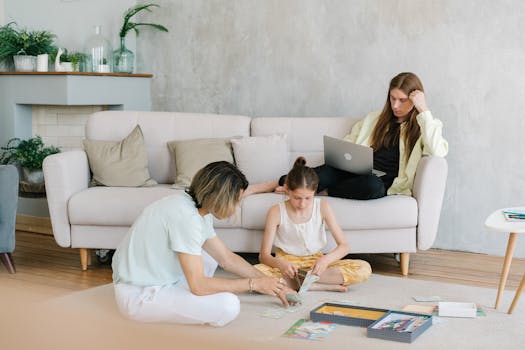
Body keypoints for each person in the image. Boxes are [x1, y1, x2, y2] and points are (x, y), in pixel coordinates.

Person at [112, 161, 297, 327]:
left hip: (157, 277)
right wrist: (252, 285)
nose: (237, 207)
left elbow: (226, 258)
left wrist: (271, 284)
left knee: (209, 256)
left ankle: (184, 296)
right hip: (140, 295)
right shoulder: (187, 218)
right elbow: (198, 286)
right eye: (237, 201)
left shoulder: (193, 206)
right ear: (221, 198)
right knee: (229, 305)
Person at [276, 72, 449, 200]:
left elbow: (437, 151)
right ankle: (279, 183)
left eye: (402, 100)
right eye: (392, 98)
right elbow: (349, 144)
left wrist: (424, 110)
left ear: (415, 99)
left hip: (378, 182)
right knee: (321, 173)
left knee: (371, 186)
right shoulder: (375, 118)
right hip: (355, 170)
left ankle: (326, 191)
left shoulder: (425, 125)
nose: (395, 105)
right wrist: (341, 158)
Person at [256, 157, 372, 292]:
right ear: (287, 190)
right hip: (287, 266)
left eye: (308, 198)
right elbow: (264, 255)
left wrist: (325, 261)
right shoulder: (276, 211)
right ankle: (315, 286)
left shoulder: (323, 206)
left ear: (315, 191)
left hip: (315, 265)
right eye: (297, 198)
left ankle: (302, 283)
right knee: (254, 273)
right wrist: (280, 264)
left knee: (364, 268)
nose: (302, 204)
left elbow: (344, 246)